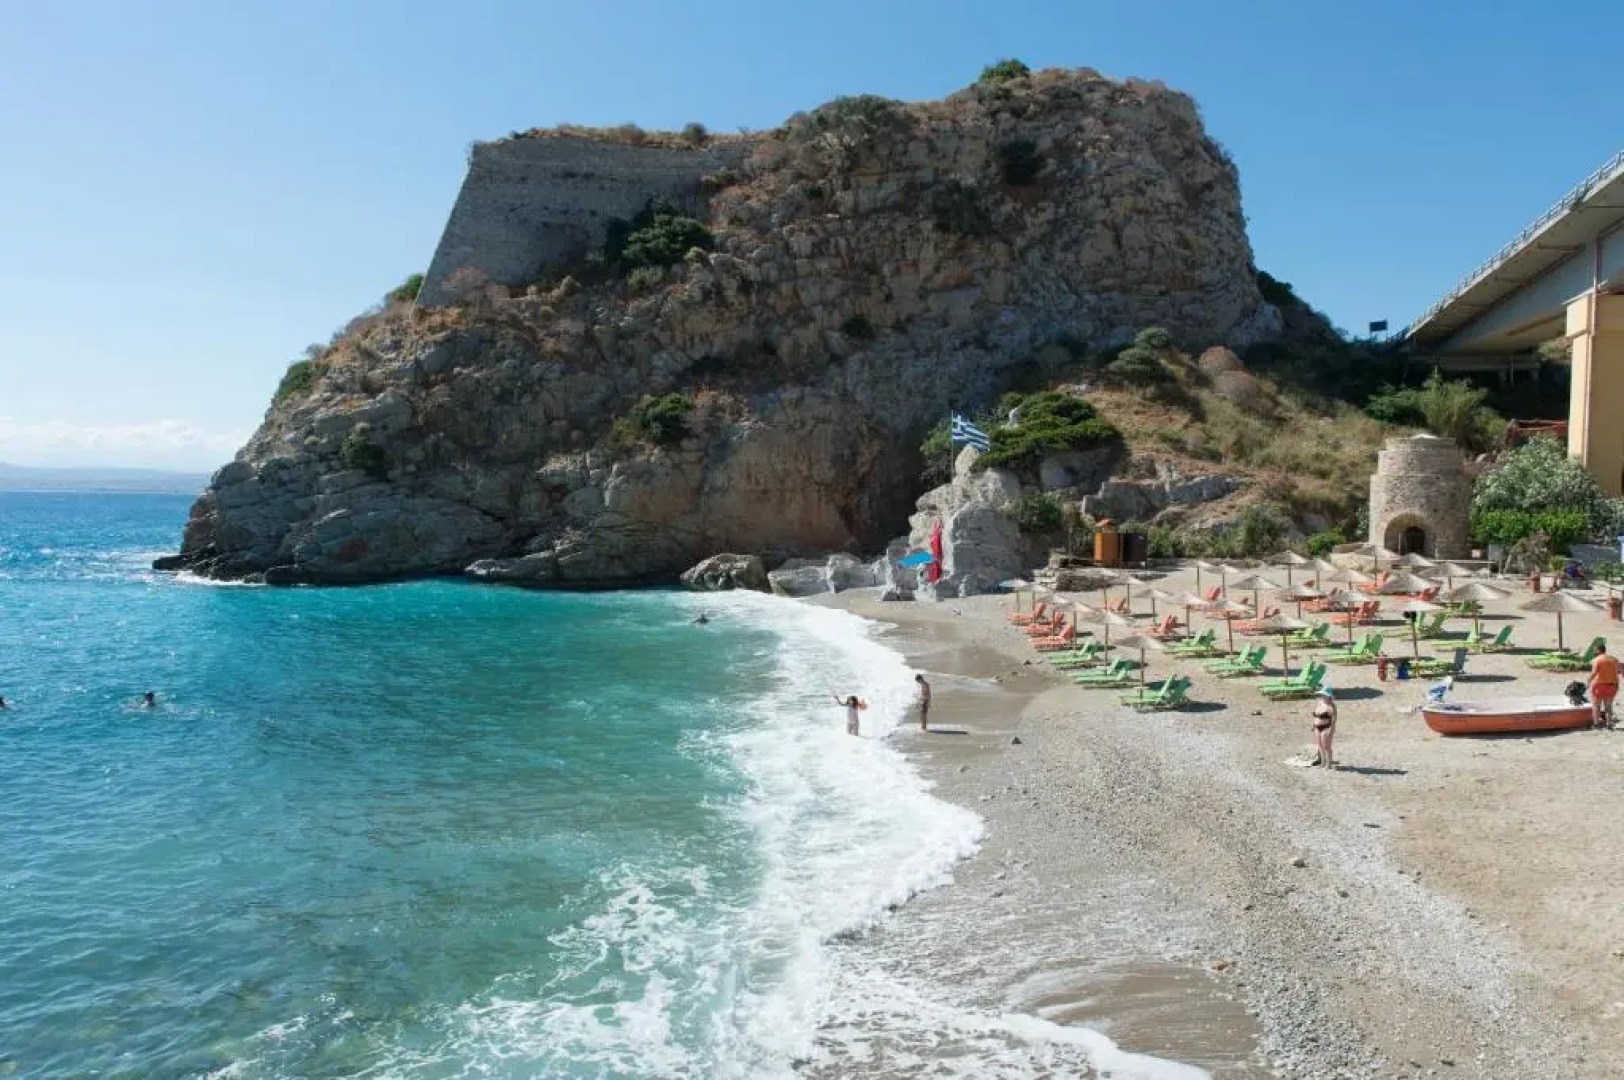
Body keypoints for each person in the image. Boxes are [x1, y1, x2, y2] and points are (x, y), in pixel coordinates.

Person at [1588, 643, 1618, 729]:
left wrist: (1588, 681)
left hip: (1599, 685)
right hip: (1612, 685)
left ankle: (1596, 724)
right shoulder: (1614, 659)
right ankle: (1608, 724)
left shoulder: (1596, 660)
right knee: (1608, 706)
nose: (1594, 651)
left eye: (1595, 650)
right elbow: (1621, 669)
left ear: (1598, 650)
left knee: (1596, 705)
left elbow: (1594, 673)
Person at [1310, 687, 1337, 768]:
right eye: (1322, 695)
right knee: (1320, 746)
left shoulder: (1331, 706)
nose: (1322, 696)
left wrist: (1331, 730)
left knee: (1327, 746)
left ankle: (1328, 764)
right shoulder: (1320, 703)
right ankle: (1322, 763)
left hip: (1326, 727)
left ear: (1329, 697)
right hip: (1317, 727)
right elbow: (1317, 717)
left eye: (1324, 695)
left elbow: (1333, 720)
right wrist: (1313, 725)